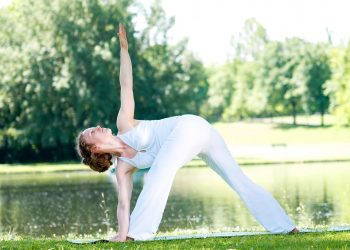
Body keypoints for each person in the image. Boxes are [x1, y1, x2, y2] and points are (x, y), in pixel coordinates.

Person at [76, 23, 299, 242]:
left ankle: (284, 226)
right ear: (95, 148)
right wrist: (121, 235)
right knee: (164, 173)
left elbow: (126, 85)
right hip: (191, 139)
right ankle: (131, 236)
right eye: (92, 132)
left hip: (192, 127)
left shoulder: (124, 123)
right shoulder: (123, 169)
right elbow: (123, 204)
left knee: (232, 179)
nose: (97, 127)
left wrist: (124, 50)